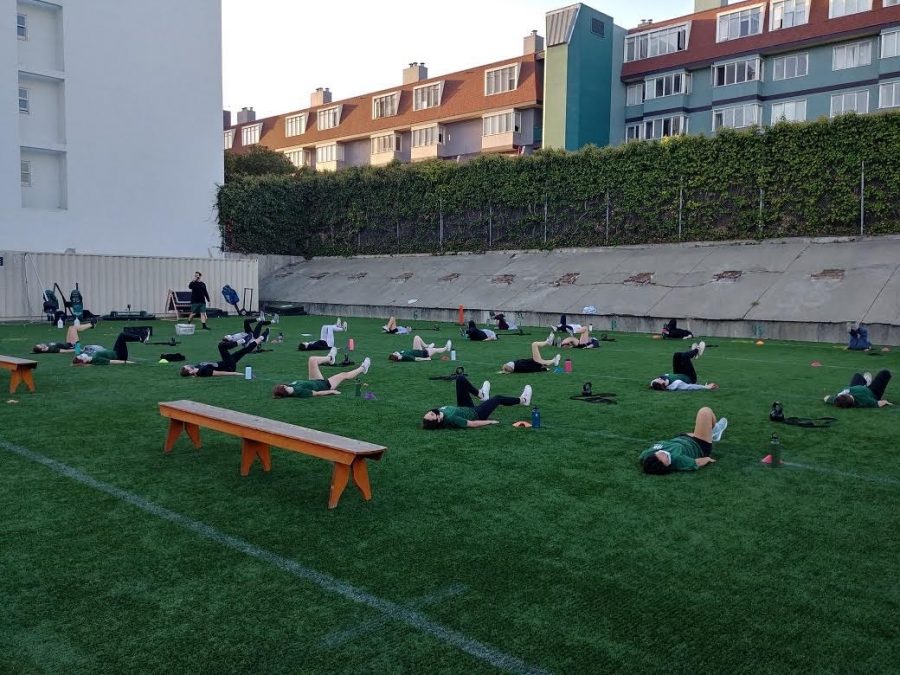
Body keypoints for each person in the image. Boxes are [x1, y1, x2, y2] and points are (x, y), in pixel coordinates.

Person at [422, 374, 532, 429]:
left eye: (429, 412)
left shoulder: (440, 413)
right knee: (497, 398)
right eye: (432, 414)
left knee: (460, 379)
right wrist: (490, 422)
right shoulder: (451, 419)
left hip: (464, 408)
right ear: (437, 420)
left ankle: (481, 395)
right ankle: (523, 400)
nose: (432, 411)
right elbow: (472, 423)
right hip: (477, 413)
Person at [639, 407, 728, 474]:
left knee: (700, 428)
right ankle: (716, 430)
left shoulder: (647, 455)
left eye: (657, 454)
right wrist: (708, 459)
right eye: (665, 459)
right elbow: (696, 463)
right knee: (705, 412)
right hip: (699, 444)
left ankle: (708, 432)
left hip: (681, 438)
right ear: (666, 464)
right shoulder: (677, 460)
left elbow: (642, 457)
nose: (659, 453)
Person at [272, 349, 371, 398]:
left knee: (312, 360)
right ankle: (363, 368)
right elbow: (317, 393)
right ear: (285, 390)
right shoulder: (299, 392)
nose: (285, 385)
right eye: (284, 387)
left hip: (314, 381)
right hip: (325, 385)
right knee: (343, 374)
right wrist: (331, 392)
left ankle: (330, 358)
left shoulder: (289, 386)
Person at [179, 335, 265, 377]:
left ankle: (261, 338)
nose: (188, 365)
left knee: (244, 351)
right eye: (187, 367)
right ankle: (241, 341)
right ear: (190, 372)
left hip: (226, 362)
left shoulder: (197, 367)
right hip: (228, 367)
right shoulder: (202, 372)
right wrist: (238, 374)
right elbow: (220, 373)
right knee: (221, 346)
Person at [649, 343, 718, 391]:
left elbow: (653, 383)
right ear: (663, 384)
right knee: (684, 356)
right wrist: (705, 387)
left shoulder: (656, 382)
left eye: (657, 379)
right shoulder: (675, 385)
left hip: (679, 373)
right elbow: (690, 387)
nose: (659, 378)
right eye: (659, 380)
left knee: (676, 355)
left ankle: (693, 353)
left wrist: (654, 382)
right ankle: (697, 350)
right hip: (690, 378)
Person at [72, 328, 151, 365]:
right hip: (119, 356)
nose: (81, 355)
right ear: (84, 361)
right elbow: (111, 362)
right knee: (122, 335)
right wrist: (127, 362)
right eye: (81, 357)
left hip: (114, 352)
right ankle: (141, 338)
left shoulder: (91, 357)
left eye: (80, 355)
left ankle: (141, 337)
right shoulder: (96, 360)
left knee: (122, 336)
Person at [824, 370, 893, 408]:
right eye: (850, 395)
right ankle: (867, 385)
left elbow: (826, 398)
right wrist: (886, 402)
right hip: (872, 392)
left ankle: (866, 383)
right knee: (885, 373)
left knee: (857, 375)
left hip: (857, 386)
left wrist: (833, 399)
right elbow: (879, 403)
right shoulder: (865, 401)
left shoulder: (837, 400)